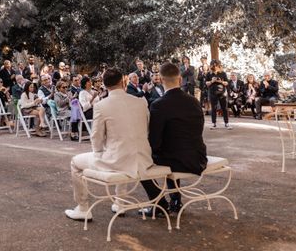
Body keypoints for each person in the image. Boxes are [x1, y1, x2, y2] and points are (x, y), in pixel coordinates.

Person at [64, 67, 154, 222]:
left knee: (75, 163)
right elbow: (147, 130)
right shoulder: (141, 102)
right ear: (122, 82)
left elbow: (96, 138)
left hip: (117, 160)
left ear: (105, 85)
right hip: (144, 158)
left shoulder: (102, 105)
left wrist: (99, 155)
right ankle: (120, 203)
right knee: (121, 152)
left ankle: (83, 208)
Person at [141, 62, 208, 215]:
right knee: (172, 149)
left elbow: (155, 142)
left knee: (139, 159)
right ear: (179, 79)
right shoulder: (194, 101)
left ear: (162, 80)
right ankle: (176, 200)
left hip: (177, 160)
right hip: (198, 157)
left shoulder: (159, 105)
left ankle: (159, 203)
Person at [206, 60, 231, 129]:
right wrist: (212, 81)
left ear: (219, 65)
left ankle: (226, 123)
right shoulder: (209, 74)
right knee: (213, 108)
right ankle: (213, 124)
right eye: (213, 65)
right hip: (212, 93)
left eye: (216, 65)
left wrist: (220, 81)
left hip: (222, 93)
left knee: (224, 108)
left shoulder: (223, 73)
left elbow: (227, 83)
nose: (215, 66)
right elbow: (206, 84)